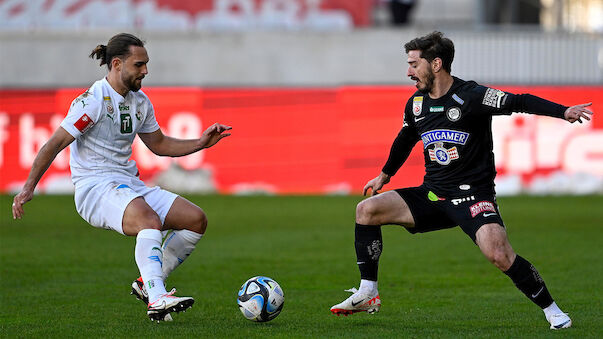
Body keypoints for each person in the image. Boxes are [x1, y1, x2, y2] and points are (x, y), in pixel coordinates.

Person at [329, 31, 593, 330]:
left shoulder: (472, 96)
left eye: (414, 64)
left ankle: (553, 310)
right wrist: (385, 175)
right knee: (367, 210)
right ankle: (367, 292)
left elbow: (519, 101)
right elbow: (406, 138)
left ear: (436, 64)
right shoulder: (416, 104)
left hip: (473, 198)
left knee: (499, 254)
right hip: (432, 196)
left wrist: (564, 111)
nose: (409, 71)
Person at [11, 33, 232, 322]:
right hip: (95, 188)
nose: (146, 71)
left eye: (146, 64)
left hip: (128, 183)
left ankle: (147, 283)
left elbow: (160, 145)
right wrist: (28, 189)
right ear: (117, 64)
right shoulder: (93, 101)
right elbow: (54, 144)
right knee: (149, 221)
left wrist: (200, 143)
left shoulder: (140, 102)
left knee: (195, 219)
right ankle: (157, 297)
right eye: (139, 64)